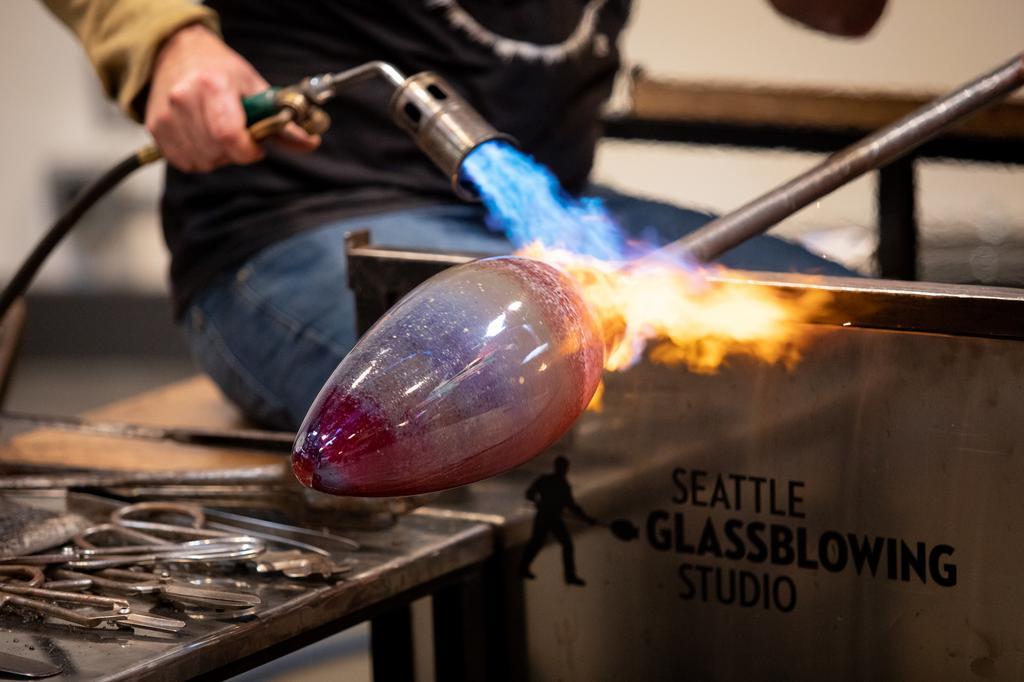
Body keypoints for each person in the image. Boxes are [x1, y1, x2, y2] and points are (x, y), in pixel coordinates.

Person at [41, 1, 886, 430]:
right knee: (574, 388)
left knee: (877, 333)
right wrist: (165, 39)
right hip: (304, 219)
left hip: (546, 216)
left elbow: (846, 13)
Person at [520, 456, 596, 586]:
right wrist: (586, 518)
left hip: (550, 517)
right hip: (547, 517)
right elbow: (530, 494)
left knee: (544, 543)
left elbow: (571, 506)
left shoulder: (554, 483)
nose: (565, 470)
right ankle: (569, 576)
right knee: (544, 543)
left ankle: (569, 576)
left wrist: (586, 518)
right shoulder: (557, 483)